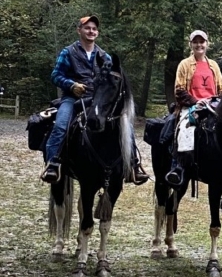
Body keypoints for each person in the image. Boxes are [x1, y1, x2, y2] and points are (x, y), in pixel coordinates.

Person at [40, 15, 149, 185]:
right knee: (61, 125)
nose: (91, 31)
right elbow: (55, 75)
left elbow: (112, 80)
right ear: (79, 30)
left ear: (97, 33)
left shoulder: (104, 56)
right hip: (72, 97)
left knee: (125, 124)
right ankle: (53, 164)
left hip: (97, 98)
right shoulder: (68, 52)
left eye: (94, 29)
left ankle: (133, 166)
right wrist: (71, 84)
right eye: (87, 28)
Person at [165, 29, 222, 186]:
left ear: (207, 44)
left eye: (202, 42)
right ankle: (178, 167)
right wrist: (195, 102)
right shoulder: (184, 64)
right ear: (191, 45)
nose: (199, 45)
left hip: (213, 106)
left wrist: (218, 102)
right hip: (192, 106)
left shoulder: (213, 65)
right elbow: (179, 89)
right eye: (195, 42)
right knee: (185, 129)